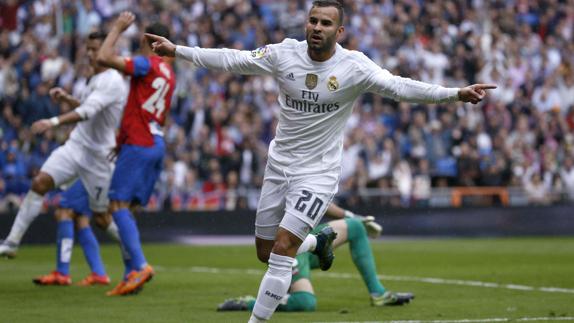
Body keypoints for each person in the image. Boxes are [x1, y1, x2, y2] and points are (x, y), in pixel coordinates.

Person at [145, 1, 495, 321]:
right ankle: (318, 241)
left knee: (283, 249)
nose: (316, 27)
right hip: (278, 166)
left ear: (339, 31)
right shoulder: (284, 54)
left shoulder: (354, 66)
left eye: (326, 23)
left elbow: (399, 86)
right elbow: (234, 59)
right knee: (265, 252)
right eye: (312, 20)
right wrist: (180, 51)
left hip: (318, 173)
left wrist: (455, 94)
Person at [0, 31, 127, 259]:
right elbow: (90, 106)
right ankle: (12, 242)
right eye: (87, 49)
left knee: (101, 218)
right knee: (40, 183)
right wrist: (69, 99)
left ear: (109, 50)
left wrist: (53, 121)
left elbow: (88, 112)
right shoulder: (95, 77)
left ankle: (131, 250)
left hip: (99, 156)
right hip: (76, 145)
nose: (89, 54)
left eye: (95, 49)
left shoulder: (113, 81)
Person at [96, 12, 175, 296]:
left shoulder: (146, 64)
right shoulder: (169, 73)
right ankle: (131, 274)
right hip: (155, 143)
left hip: (139, 143)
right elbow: (156, 115)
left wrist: (116, 27)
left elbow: (103, 58)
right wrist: (121, 141)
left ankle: (139, 265)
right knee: (128, 211)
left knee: (116, 206)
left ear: (146, 39)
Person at [217, 213, 413, 312]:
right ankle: (250, 303)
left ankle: (378, 293)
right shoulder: (296, 162)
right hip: (290, 243)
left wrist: (352, 216)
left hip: (308, 234)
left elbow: (324, 202)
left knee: (355, 227)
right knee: (305, 302)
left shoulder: (317, 160)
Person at [32, 181, 111, 286]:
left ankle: (62, 274)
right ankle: (99, 274)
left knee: (64, 211)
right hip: (93, 176)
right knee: (81, 220)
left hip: (86, 175)